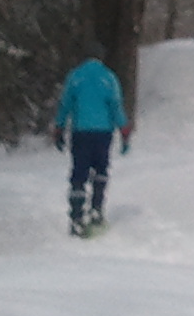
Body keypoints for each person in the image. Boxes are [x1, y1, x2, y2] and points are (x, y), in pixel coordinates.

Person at [49, 47, 132, 234]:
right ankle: (96, 211)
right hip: (103, 133)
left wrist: (59, 128)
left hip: (81, 133)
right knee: (101, 170)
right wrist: (124, 131)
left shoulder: (75, 77)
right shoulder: (109, 77)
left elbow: (65, 105)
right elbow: (116, 106)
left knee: (79, 173)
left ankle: (76, 217)